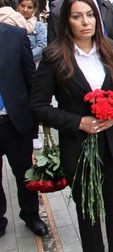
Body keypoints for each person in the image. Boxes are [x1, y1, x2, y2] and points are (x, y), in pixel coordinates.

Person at [30, 0, 113, 252]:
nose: (85, 22)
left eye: (90, 15)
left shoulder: (109, 47)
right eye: (77, 16)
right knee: (88, 211)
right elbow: (39, 106)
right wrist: (79, 122)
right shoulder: (54, 56)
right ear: (67, 21)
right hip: (78, 149)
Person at [0, 22, 48, 239]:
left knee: (24, 173)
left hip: (14, 121)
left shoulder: (15, 35)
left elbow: (31, 79)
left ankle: (31, 215)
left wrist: (36, 119)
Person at [17, 0, 47, 66]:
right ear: (17, 7)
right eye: (22, 6)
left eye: (29, 7)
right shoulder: (10, 24)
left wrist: (24, 57)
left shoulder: (39, 26)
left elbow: (42, 47)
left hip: (33, 65)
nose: (25, 10)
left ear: (35, 10)